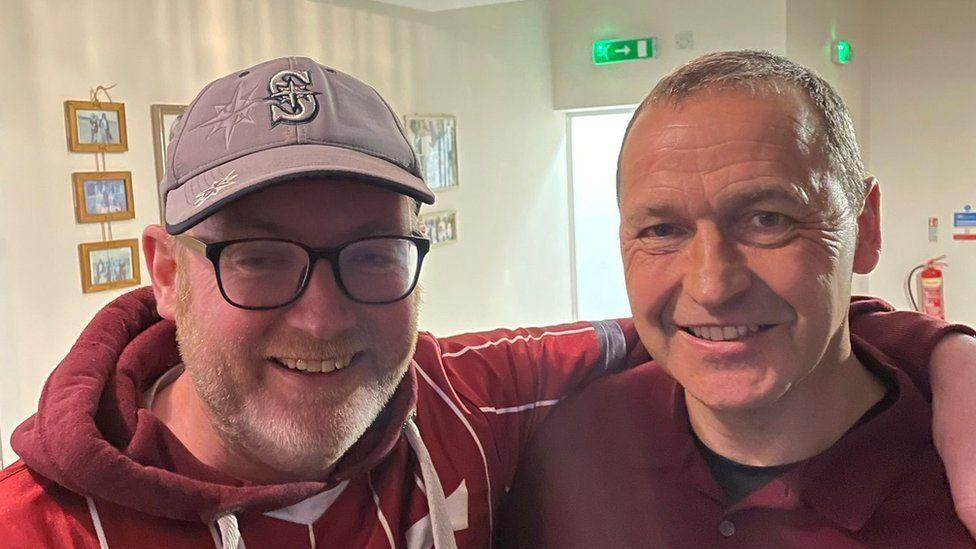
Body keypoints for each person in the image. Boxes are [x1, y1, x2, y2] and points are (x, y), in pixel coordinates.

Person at [0, 56, 972, 549]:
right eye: (256, 260)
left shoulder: (473, 404)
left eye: (374, 254)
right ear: (163, 273)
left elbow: (691, 330)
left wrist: (940, 354)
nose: (323, 315)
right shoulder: (35, 529)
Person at [498, 50, 976, 548]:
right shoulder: (568, 451)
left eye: (767, 219)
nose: (711, 286)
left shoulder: (950, 490)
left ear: (866, 226)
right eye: (662, 230)